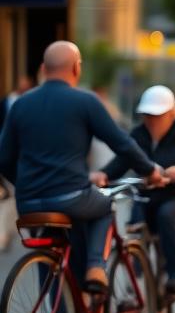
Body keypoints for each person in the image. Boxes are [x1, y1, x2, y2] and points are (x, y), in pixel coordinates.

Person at [0, 42, 163, 297]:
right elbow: (122, 143)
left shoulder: (20, 105)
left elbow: (4, 158)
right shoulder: (85, 101)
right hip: (71, 198)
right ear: (77, 68)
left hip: (29, 202)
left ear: (43, 69)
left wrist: (24, 186)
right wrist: (150, 170)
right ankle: (96, 267)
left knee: (51, 249)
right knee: (103, 206)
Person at [95, 85, 175, 294]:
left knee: (166, 216)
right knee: (135, 228)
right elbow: (122, 161)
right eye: (147, 115)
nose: (151, 120)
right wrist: (103, 175)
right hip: (147, 197)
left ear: (171, 114)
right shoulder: (139, 135)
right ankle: (136, 282)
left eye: (157, 115)